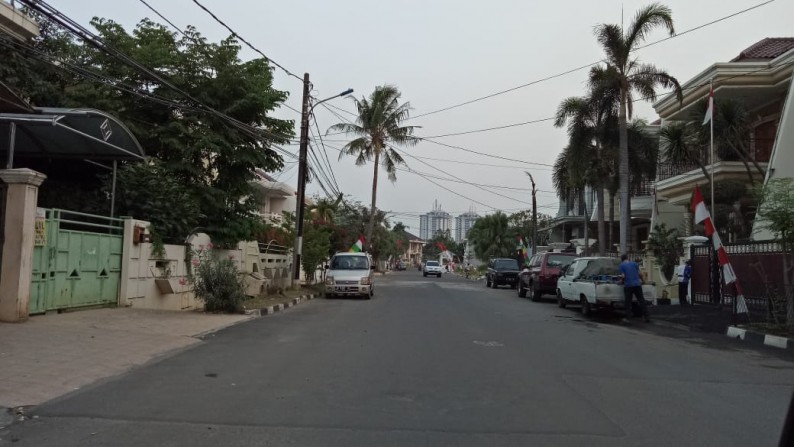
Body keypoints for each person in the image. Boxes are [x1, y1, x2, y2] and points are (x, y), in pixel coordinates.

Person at [619, 254, 649, 323]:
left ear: (622, 259)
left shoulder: (621, 265)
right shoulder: (634, 264)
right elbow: (640, 274)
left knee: (628, 302)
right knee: (641, 300)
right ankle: (646, 317)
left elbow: (623, 276)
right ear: (628, 258)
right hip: (637, 285)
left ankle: (628, 318)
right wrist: (643, 281)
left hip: (628, 286)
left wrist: (620, 281)